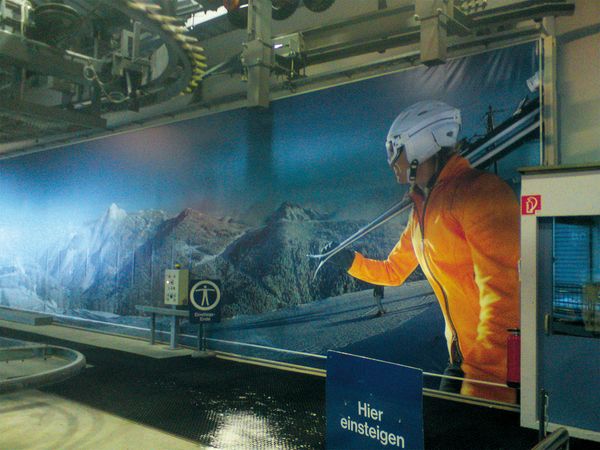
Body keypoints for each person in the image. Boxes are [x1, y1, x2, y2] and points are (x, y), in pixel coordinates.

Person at [328, 100, 520, 403]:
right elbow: (393, 271)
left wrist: (484, 380)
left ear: (420, 145)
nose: (392, 162)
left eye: (396, 150)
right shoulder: (420, 212)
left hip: (495, 370)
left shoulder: (479, 193)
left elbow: (506, 298)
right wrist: (351, 262)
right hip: (461, 360)